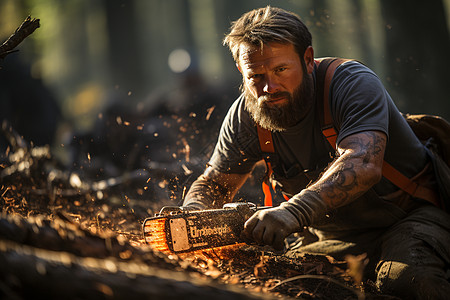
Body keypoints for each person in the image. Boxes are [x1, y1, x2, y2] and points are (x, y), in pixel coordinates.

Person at [182, 6, 450, 299]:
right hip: (328, 239)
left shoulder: (351, 83)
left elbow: (363, 164)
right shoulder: (245, 115)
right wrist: (190, 217)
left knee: (410, 281)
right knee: (282, 285)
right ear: (241, 71)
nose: (269, 87)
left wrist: (292, 212)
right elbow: (215, 184)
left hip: (411, 219)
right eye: (255, 75)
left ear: (308, 60)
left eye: (281, 70)